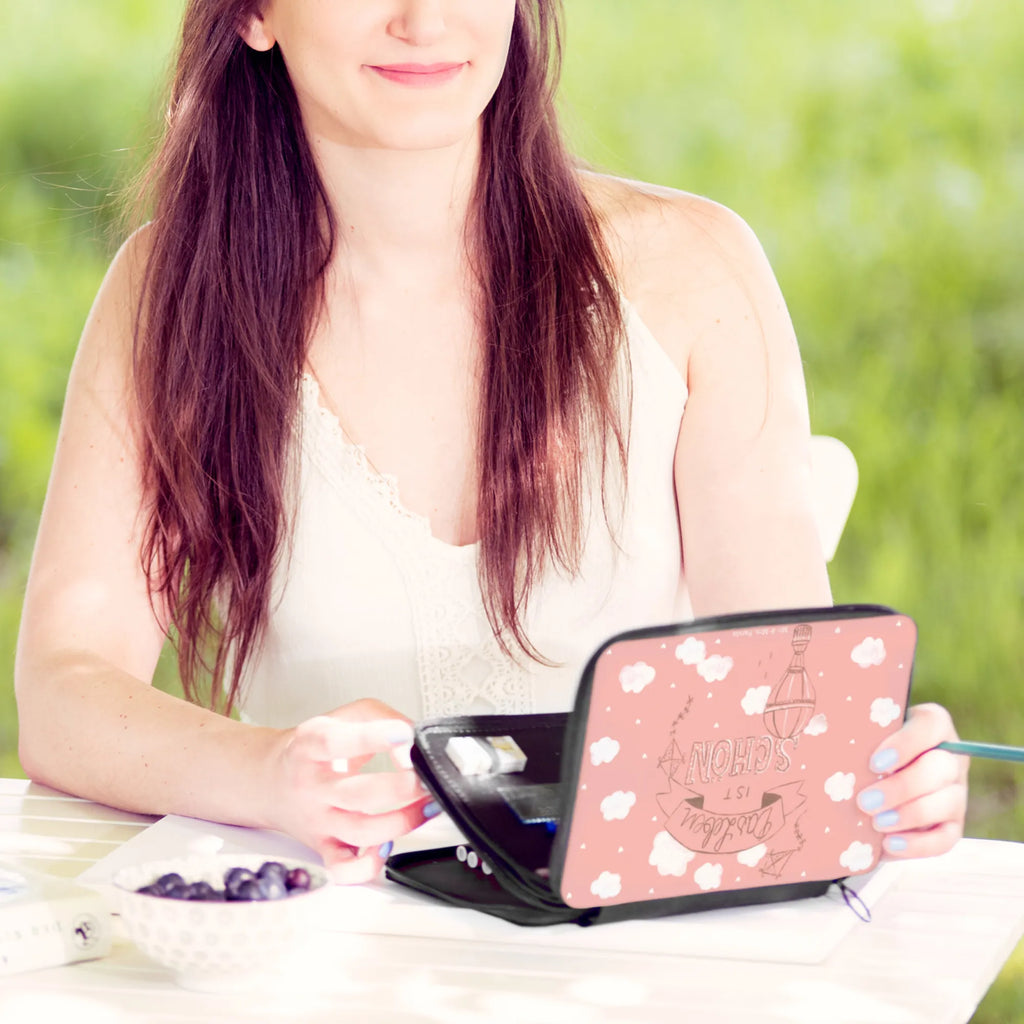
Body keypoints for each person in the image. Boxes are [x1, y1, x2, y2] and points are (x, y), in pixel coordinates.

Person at [14, 0, 967, 884]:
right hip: (319, 941)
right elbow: (63, 696)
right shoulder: (175, 293)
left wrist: (880, 779)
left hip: (637, 938)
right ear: (256, 13)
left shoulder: (692, 275)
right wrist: (268, 771)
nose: (424, 20)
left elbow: (789, 701)